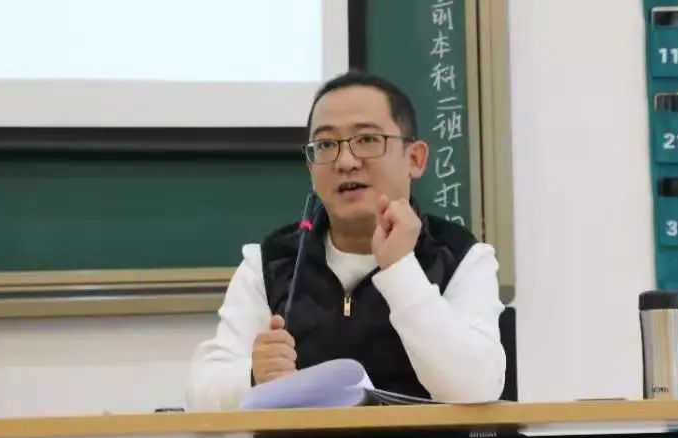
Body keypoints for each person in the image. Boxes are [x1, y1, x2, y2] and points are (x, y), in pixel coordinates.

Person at [186, 71, 506, 411]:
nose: (345, 162)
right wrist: (252, 375)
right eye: (326, 145)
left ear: (415, 159)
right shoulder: (270, 262)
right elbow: (200, 395)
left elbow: (476, 387)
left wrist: (400, 269)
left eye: (367, 139)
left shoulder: (460, 257)